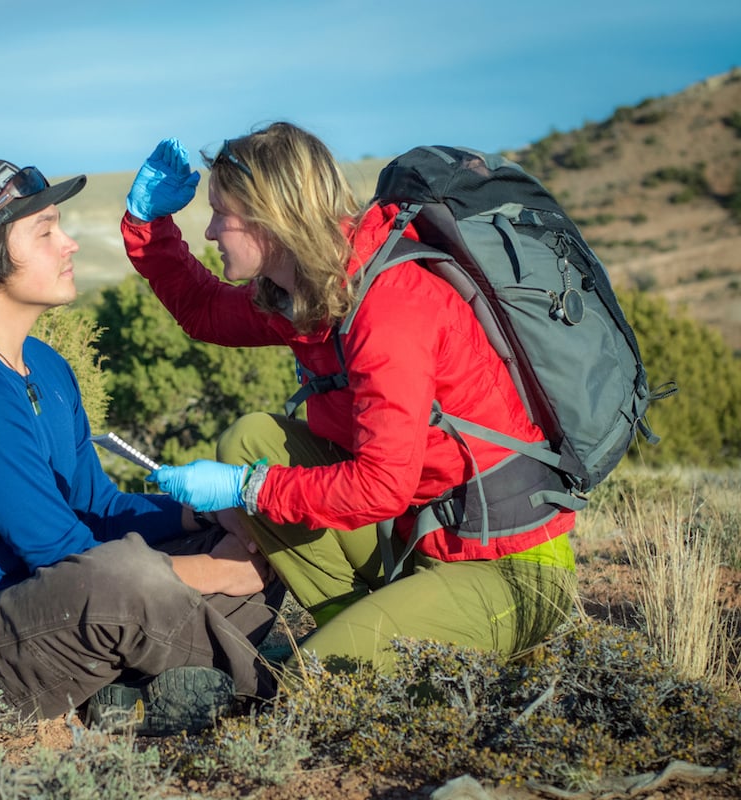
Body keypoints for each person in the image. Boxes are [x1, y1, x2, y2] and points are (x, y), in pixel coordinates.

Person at [120, 125, 577, 672]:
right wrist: (149, 225)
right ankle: (361, 626)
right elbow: (204, 310)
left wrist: (246, 488)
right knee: (251, 440)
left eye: (222, 213)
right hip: (419, 537)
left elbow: (382, 486)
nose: (213, 230)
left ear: (271, 216)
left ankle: (378, 645)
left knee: (316, 684)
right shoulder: (313, 291)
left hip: (505, 566)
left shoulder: (388, 306)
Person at [0, 158, 285, 734]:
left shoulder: (43, 366)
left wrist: (204, 514)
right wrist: (216, 575)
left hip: (55, 610)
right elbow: (68, 556)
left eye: (60, 225)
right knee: (129, 577)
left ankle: (132, 693)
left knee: (251, 525)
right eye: (44, 232)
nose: (68, 244)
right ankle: (263, 684)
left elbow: (100, 507)